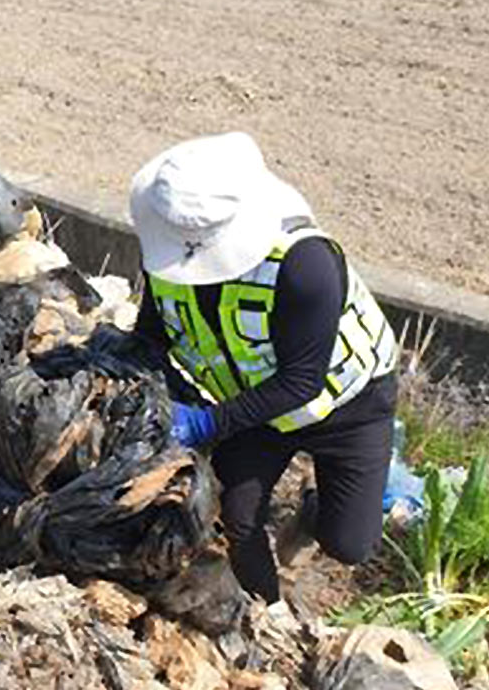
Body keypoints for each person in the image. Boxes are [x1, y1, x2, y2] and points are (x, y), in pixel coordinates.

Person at [128, 132, 398, 604]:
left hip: (346, 403)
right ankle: (265, 610)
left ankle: (316, 512)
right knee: (237, 517)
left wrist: (208, 423)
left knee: (350, 545)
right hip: (254, 408)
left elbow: (302, 381)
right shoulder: (170, 253)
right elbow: (152, 331)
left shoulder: (304, 263)